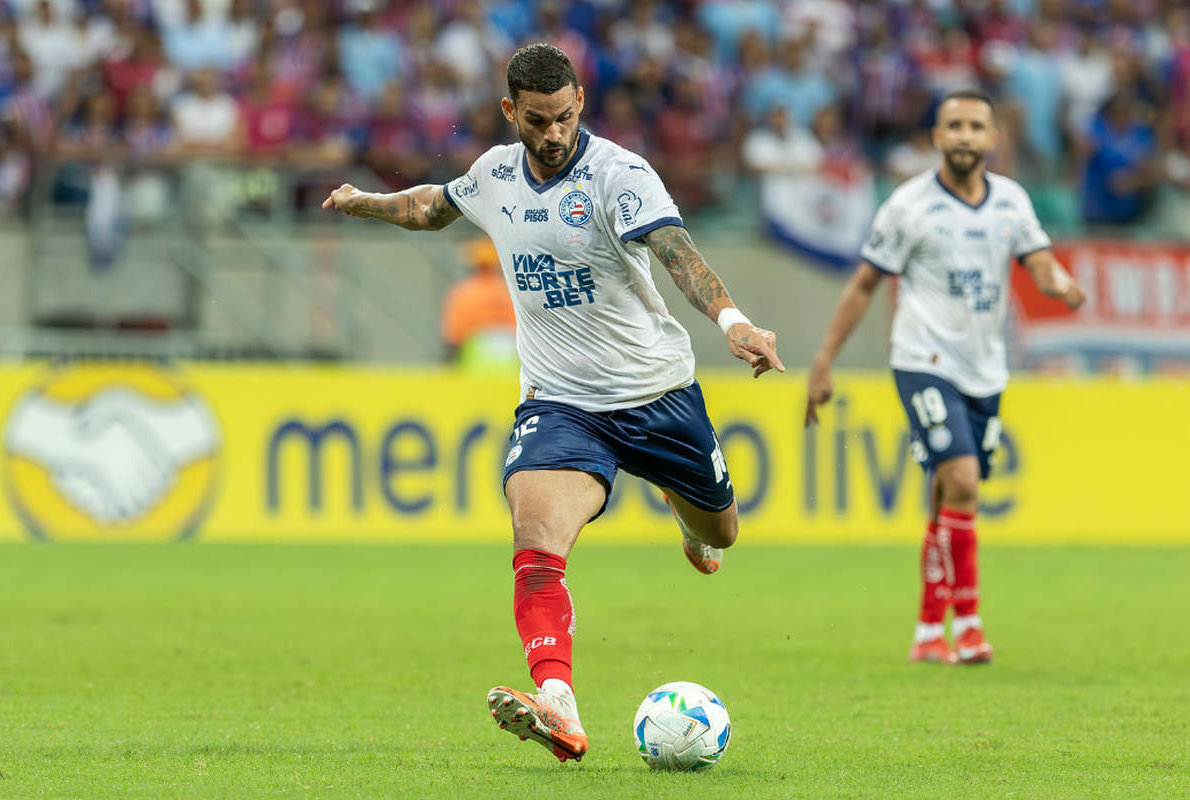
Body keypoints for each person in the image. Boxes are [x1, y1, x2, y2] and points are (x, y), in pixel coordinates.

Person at [322, 43, 784, 763]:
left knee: (721, 534)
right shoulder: (493, 175)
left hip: (655, 392)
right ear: (511, 111)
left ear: (579, 106)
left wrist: (735, 324)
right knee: (535, 542)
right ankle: (558, 703)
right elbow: (430, 208)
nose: (554, 133)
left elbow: (675, 249)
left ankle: (683, 516)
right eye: (538, 120)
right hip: (560, 401)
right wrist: (365, 204)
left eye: (565, 117)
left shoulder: (618, 175)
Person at [804, 88, 1085, 666]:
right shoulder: (908, 206)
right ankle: (971, 624)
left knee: (945, 496)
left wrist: (1061, 284)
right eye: (952, 125)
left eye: (974, 126)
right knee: (962, 481)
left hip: (985, 368)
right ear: (936, 137)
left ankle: (929, 629)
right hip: (923, 361)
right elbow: (864, 284)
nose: (963, 135)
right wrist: (824, 361)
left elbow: (1040, 262)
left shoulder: (1010, 201)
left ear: (991, 138)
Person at [440, 236, 517, 368]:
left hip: (473, 369)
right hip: (511, 369)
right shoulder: (511, 292)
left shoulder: (462, 292)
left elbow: (453, 338)